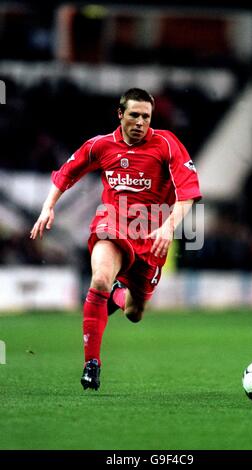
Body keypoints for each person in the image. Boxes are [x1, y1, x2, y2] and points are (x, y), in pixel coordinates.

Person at [30, 88, 202, 391]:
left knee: (135, 313)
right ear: (120, 114)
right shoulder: (101, 145)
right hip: (113, 224)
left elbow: (187, 193)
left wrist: (167, 227)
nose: (140, 122)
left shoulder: (167, 144)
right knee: (99, 280)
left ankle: (118, 295)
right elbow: (67, 173)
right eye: (134, 115)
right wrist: (48, 207)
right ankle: (91, 364)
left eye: (146, 116)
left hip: (150, 238)